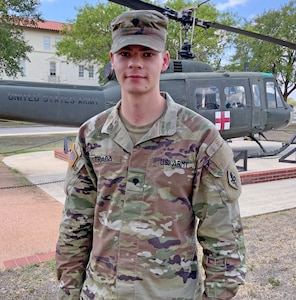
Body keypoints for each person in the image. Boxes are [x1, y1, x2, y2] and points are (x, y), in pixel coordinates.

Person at [56, 9, 246, 300]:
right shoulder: (90, 135)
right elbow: (75, 225)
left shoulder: (200, 139)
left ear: (164, 61)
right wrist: (69, 292)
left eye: (147, 54)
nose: (135, 63)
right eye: (126, 54)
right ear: (112, 60)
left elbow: (223, 238)